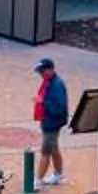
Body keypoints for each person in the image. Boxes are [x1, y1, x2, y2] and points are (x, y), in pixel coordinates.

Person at [31, 57, 70, 186]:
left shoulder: (56, 85)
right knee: (54, 149)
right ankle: (58, 175)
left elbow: (60, 107)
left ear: (50, 70)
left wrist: (43, 102)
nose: (41, 74)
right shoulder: (49, 82)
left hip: (52, 123)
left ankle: (38, 180)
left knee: (45, 151)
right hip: (49, 121)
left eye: (42, 71)